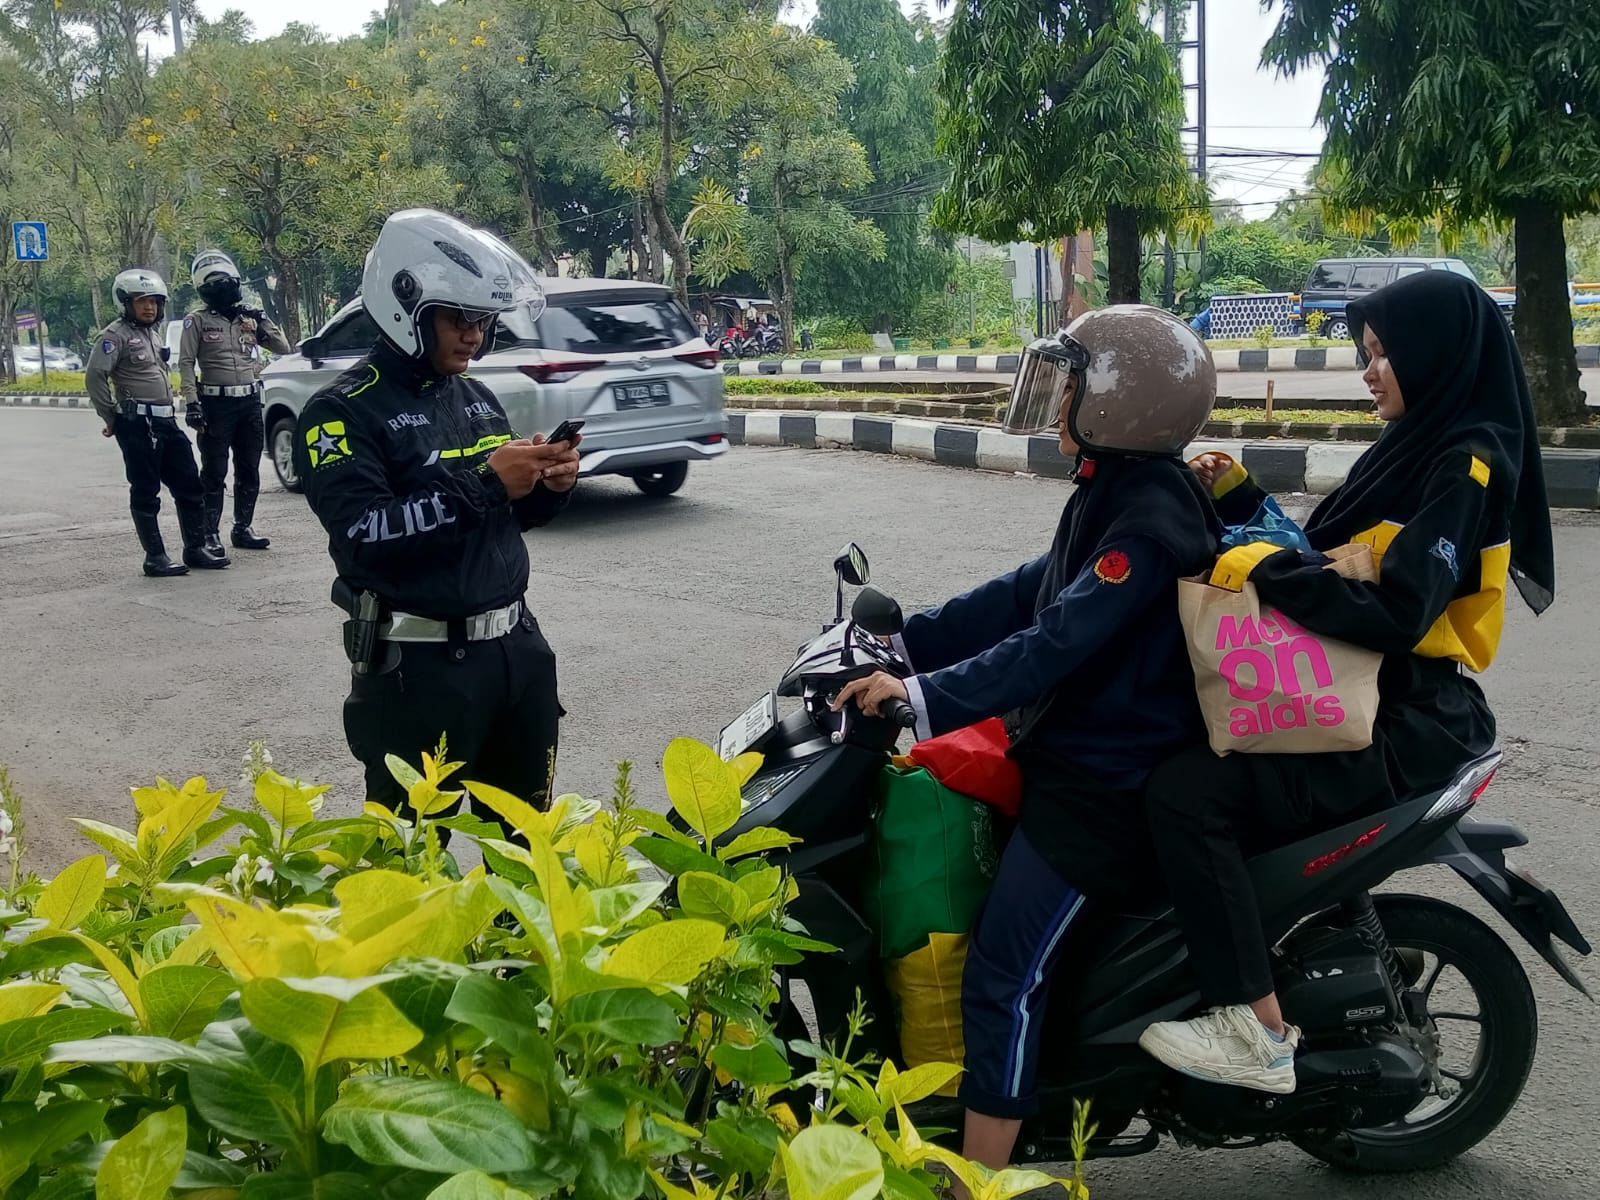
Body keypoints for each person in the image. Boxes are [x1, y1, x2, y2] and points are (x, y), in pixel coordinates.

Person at [1138, 269, 1555, 1094]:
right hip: (1359, 692)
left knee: (1188, 796)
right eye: (1364, 353)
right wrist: (1240, 498)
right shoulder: (1418, 443)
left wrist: (1262, 567)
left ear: (1434, 355)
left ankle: (1254, 1032)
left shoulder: (1467, 464)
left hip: (1404, 716)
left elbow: (1397, 607)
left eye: (1382, 353)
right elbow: (1331, 551)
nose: (1369, 370)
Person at [834, 307, 1222, 1174]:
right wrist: (906, 644)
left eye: (1074, 381)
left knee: (1001, 971)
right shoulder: (1113, 487)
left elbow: (1057, 642)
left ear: (1125, 400)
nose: (1059, 397)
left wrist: (922, 696)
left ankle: (977, 1179)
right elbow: (1026, 594)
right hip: (1073, 760)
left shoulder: (1151, 519)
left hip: (1104, 788)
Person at [294, 209, 582, 816]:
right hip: (419, 671)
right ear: (406, 308)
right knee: (416, 868)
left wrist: (547, 484)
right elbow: (364, 535)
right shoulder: (341, 413)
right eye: (458, 319)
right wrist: (486, 484)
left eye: (482, 320)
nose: (474, 335)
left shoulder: (474, 397)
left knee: (529, 853)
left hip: (516, 652)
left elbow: (508, 521)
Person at [87, 269, 222, 578]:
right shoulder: (113, 336)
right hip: (137, 423)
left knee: (190, 484)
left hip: (165, 422)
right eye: (141, 301)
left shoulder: (153, 333)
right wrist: (110, 416)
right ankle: (155, 557)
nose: (149, 307)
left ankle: (196, 548)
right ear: (125, 303)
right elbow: (95, 376)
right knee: (146, 490)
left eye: (154, 301)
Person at [179, 249, 292, 557]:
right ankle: (209, 533)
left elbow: (282, 346)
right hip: (216, 405)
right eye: (217, 285)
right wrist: (192, 403)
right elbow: (186, 363)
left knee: (249, 468)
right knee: (214, 471)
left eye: (228, 283)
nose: (224, 290)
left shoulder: (250, 319)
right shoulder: (197, 322)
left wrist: (262, 319)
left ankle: (243, 528)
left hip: (250, 402)